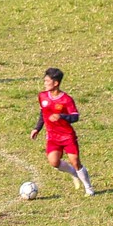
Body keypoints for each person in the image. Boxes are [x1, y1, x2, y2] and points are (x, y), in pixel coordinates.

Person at [30, 67, 93, 195]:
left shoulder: (66, 100)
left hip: (67, 136)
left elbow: (75, 116)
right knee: (54, 162)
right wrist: (37, 128)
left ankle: (88, 187)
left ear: (56, 83)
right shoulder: (42, 96)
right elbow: (43, 112)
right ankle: (73, 173)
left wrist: (62, 116)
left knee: (75, 161)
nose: (45, 83)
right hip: (53, 136)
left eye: (47, 81)